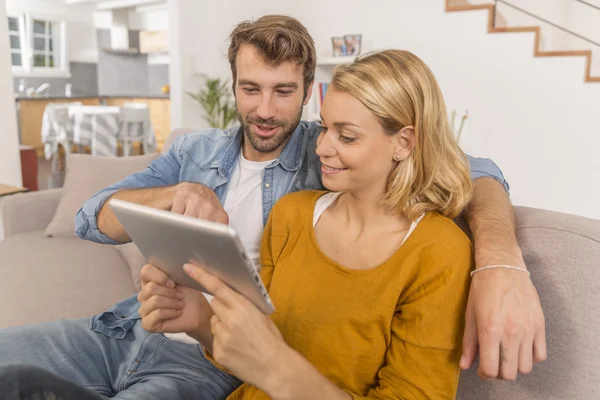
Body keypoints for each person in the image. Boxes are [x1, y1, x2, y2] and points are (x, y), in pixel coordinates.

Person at [0, 15, 544, 399]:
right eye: (250, 88)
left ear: (309, 91)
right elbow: (88, 216)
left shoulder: (324, 155)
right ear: (232, 86)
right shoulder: (197, 151)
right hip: (130, 327)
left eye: (283, 91)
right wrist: (175, 196)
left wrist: (499, 260)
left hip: (212, 366)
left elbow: (469, 169)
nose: (264, 110)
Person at [141, 48, 475, 398]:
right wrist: (198, 318)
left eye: (346, 136)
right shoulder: (292, 214)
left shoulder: (438, 252)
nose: (322, 148)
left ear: (404, 142)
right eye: (324, 128)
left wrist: (277, 368)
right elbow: (252, 354)